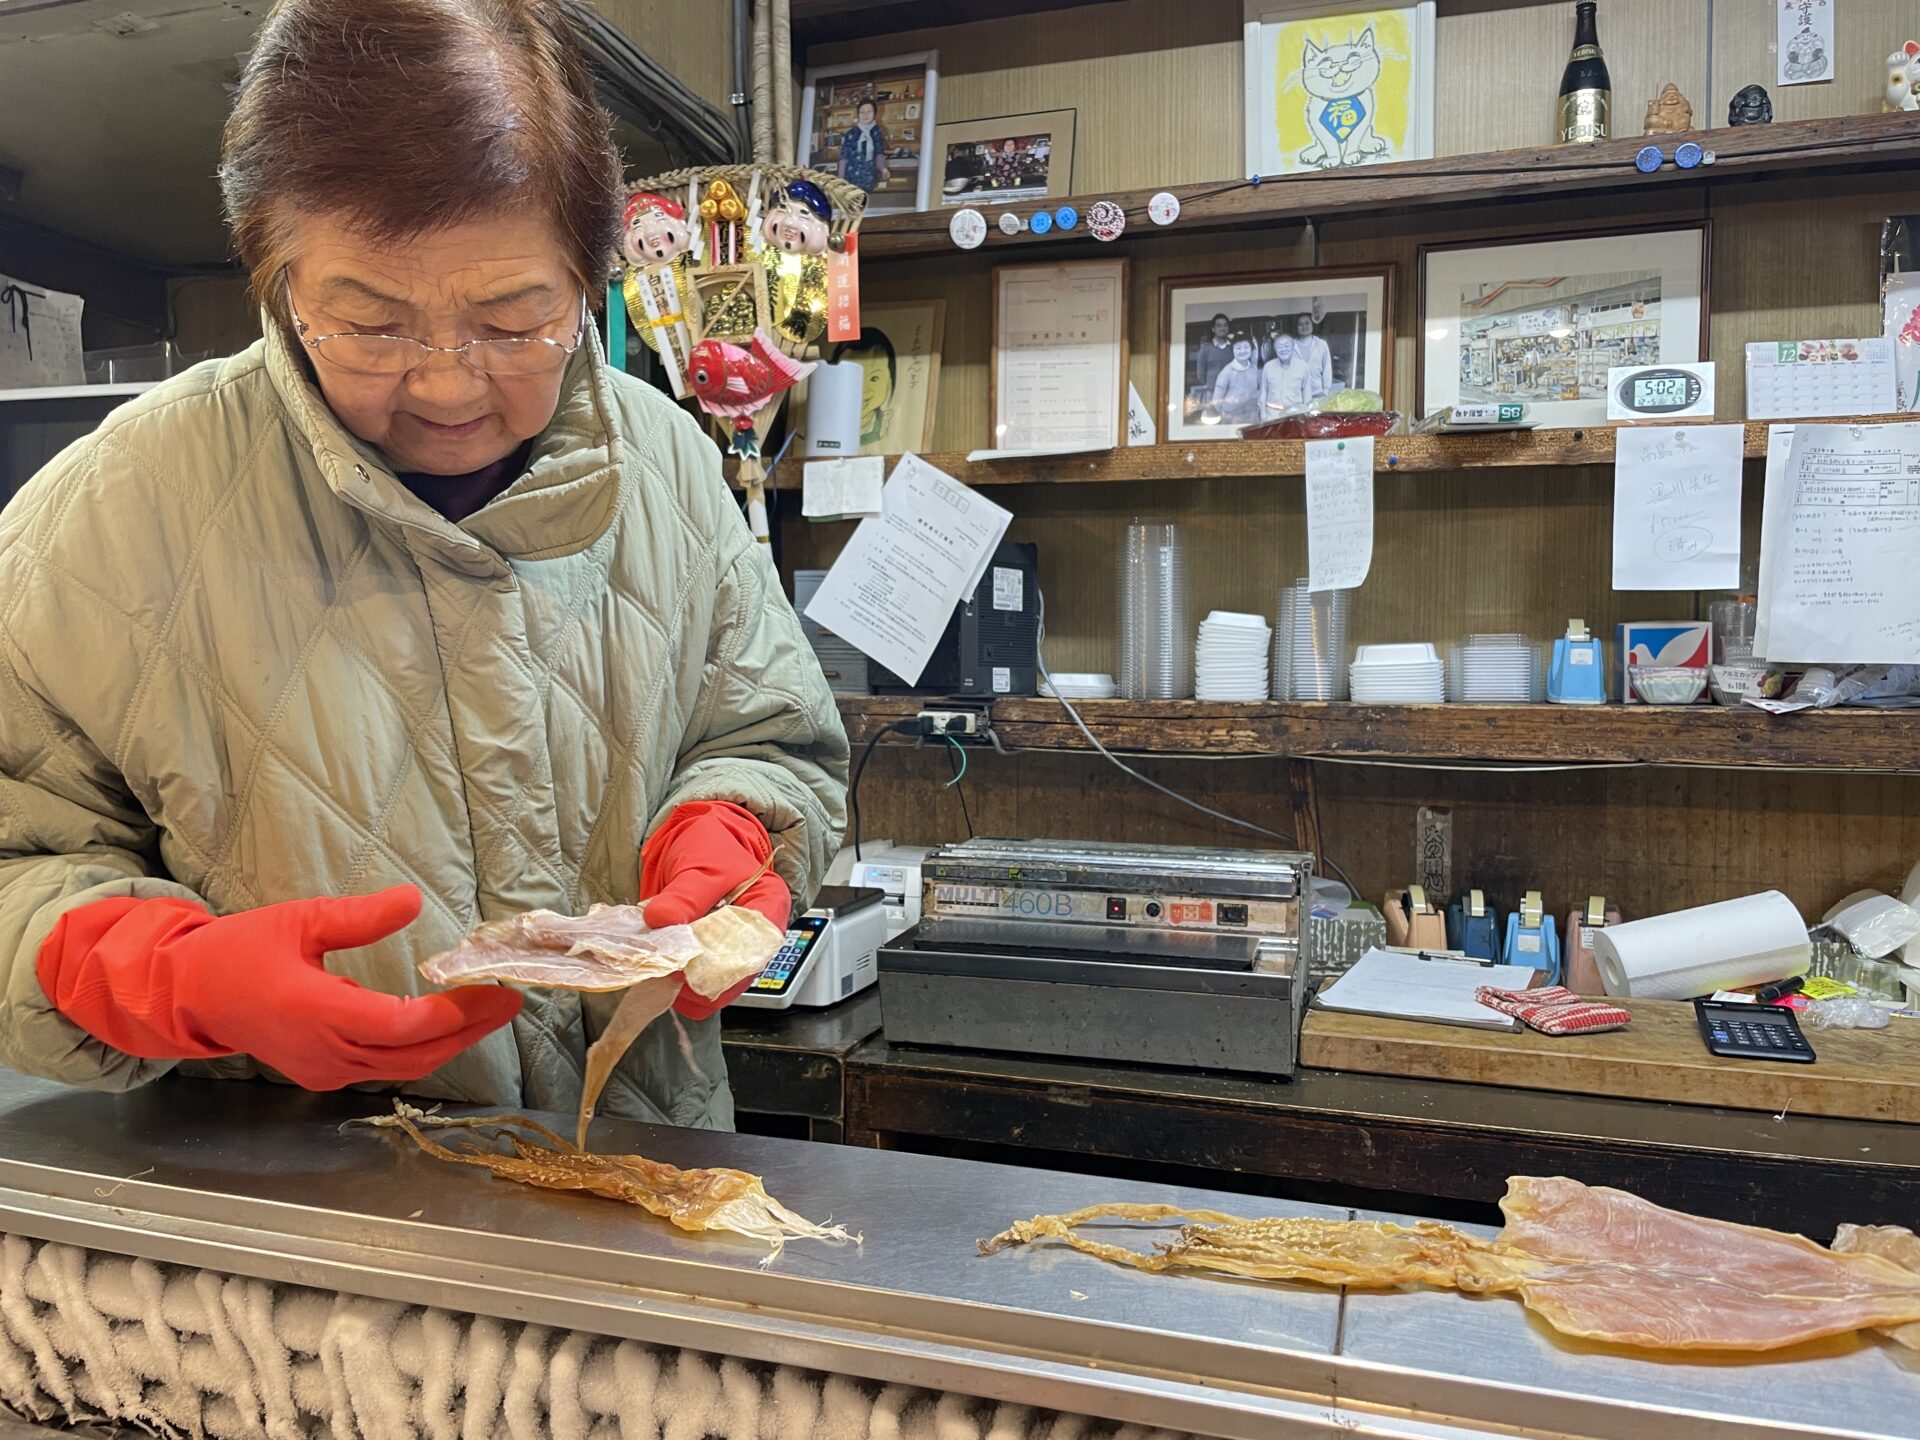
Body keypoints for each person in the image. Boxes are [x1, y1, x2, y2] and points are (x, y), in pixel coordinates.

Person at [0, 0, 849, 1130]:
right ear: (277, 277)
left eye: (514, 320)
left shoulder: (671, 469)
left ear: (591, 275)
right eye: (369, 322)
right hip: (289, 1221)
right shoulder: (113, 508)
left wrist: (736, 831)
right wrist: (163, 975)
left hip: (635, 1168)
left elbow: (770, 738)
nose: (448, 386)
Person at [840, 326, 897, 449]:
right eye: (852, 377)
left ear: (890, 381)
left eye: (874, 379)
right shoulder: (826, 425)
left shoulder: (885, 426)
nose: (862, 390)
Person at [837, 98, 890, 194]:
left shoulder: (877, 131)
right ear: (858, 115)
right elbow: (844, 157)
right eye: (862, 112)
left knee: (866, 204)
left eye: (869, 111)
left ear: (875, 113)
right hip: (851, 179)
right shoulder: (851, 133)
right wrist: (840, 178)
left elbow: (879, 153)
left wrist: (883, 169)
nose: (866, 115)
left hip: (869, 178)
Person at [1210, 338, 1262, 426]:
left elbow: (1259, 392)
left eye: (1246, 347)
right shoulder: (1226, 372)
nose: (1242, 351)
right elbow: (1216, 401)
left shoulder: (1254, 369)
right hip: (1232, 420)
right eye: (1238, 348)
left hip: (1252, 419)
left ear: (1251, 349)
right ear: (1232, 351)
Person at [1261, 335, 1311, 415]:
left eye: (1287, 346)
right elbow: (1263, 393)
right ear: (1275, 349)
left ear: (1293, 347)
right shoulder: (1268, 367)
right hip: (1272, 415)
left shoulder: (1303, 367)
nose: (1283, 349)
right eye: (1280, 346)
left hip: (1296, 414)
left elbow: (1307, 395)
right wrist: (1263, 416)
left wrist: (1307, 415)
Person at [1291, 311, 1335, 401]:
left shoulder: (1321, 344)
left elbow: (1327, 367)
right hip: (1296, 394)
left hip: (1318, 394)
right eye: (1300, 324)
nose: (1304, 326)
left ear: (1312, 325)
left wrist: (1326, 390)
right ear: (1296, 327)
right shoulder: (1290, 345)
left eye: (1307, 323)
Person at [1192, 313, 1237, 398]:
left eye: (1225, 325)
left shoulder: (1234, 348)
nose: (1222, 328)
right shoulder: (1205, 350)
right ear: (1213, 329)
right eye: (1219, 326)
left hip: (1232, 393)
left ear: (1228, 328)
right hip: (1212, 393)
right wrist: (1211, 384)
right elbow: (1200, 375)